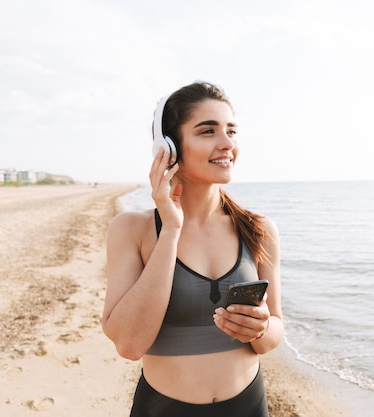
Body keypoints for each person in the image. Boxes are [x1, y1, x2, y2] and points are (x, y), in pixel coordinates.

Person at [101, 81, 283, 417]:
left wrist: (261, 327)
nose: (227, 143)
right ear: (168, 147)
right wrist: (171, 229)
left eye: (231, 130)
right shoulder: (132, 230)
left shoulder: (258, 230)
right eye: (208, 131)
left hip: (248, 406)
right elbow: (129, 344)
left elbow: (273, 334)